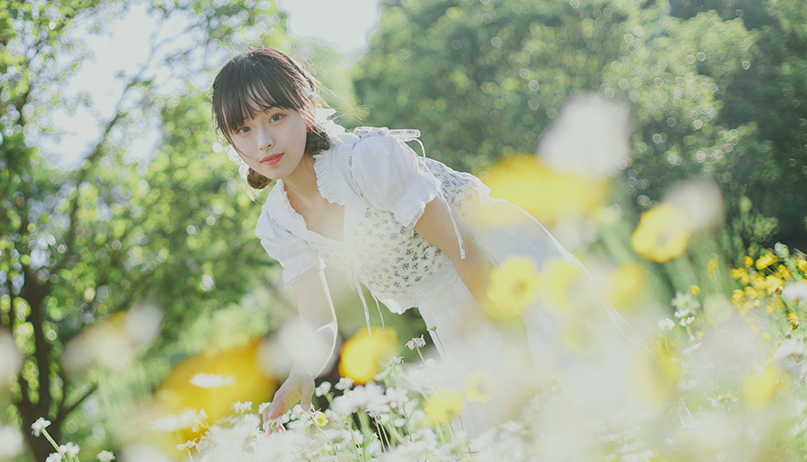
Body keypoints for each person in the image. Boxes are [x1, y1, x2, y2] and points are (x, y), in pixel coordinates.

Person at [211, 48, 638, 427]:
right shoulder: (279, 222)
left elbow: (462, 246)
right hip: (443, 299)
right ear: (230, 140)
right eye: (244, 128)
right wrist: (302, 372)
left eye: (276, 117)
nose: (264, 140)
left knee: (581, 376)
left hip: (497, 260)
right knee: (502, 425)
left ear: (306, 107)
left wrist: (510, 332)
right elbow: (320, 320)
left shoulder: (366, 162)